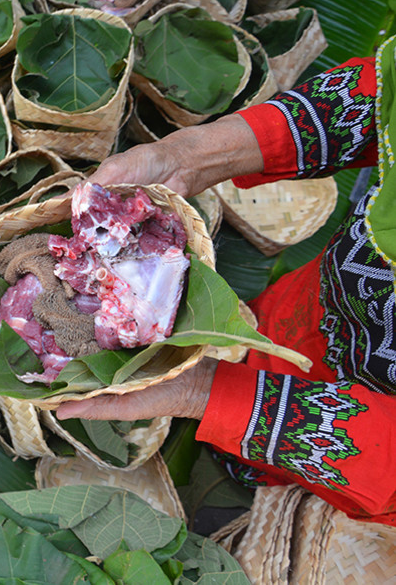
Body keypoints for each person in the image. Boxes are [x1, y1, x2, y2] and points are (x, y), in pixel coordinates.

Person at [56, 36, 396, 526]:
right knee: (269, 334)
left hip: (371, 441)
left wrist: (201, 394)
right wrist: (187, 156)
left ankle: (258, 462)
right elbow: (377, 99)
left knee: (272, 442)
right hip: (320, 306)